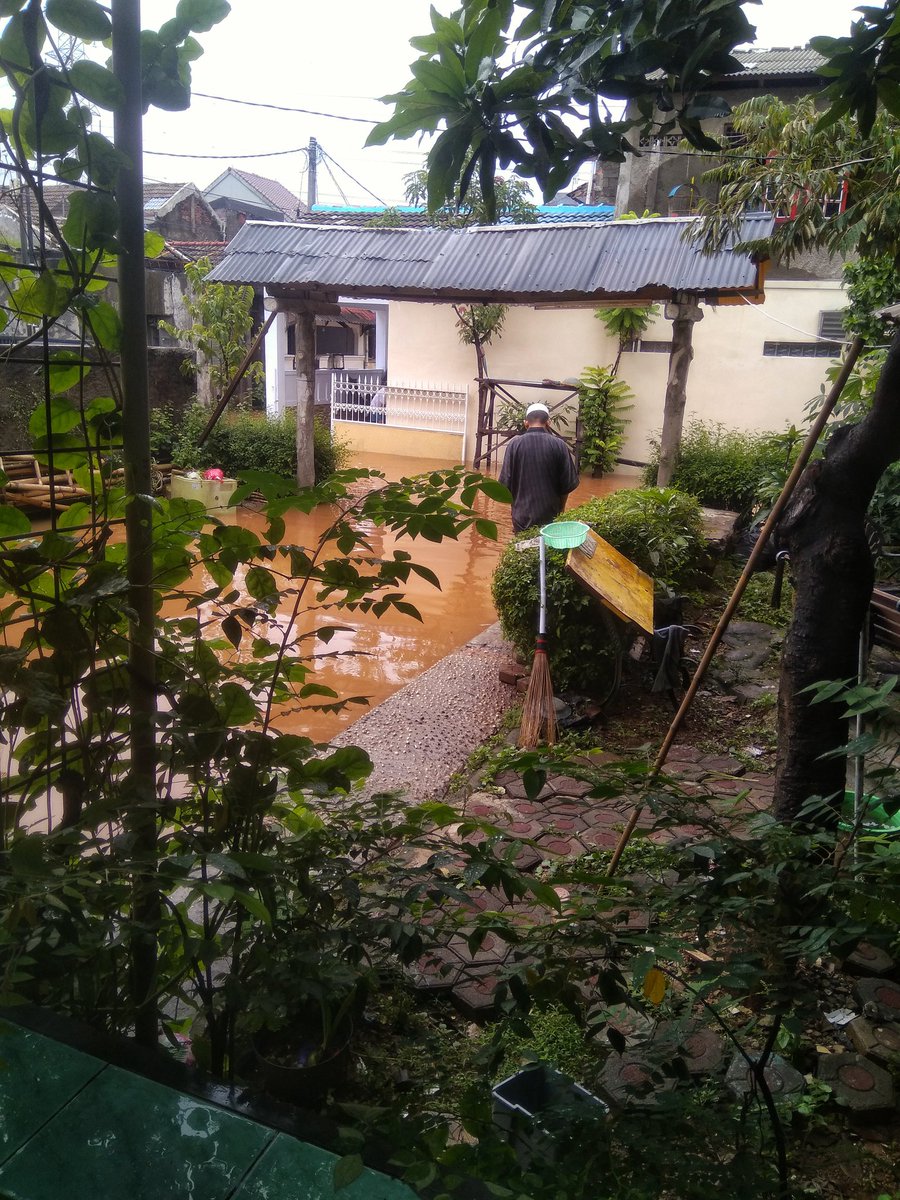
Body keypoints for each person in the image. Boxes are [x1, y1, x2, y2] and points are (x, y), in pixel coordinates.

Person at [498, 402, 580, 533]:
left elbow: (504, 485)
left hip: (521, 519)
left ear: (526, 422)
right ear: (549, 422)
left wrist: (516, 508)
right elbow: (567, 484)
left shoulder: (514, 445)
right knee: (548, 552)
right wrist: (561, 510)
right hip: (551, 517)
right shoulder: (559, 445)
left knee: (523, 550)